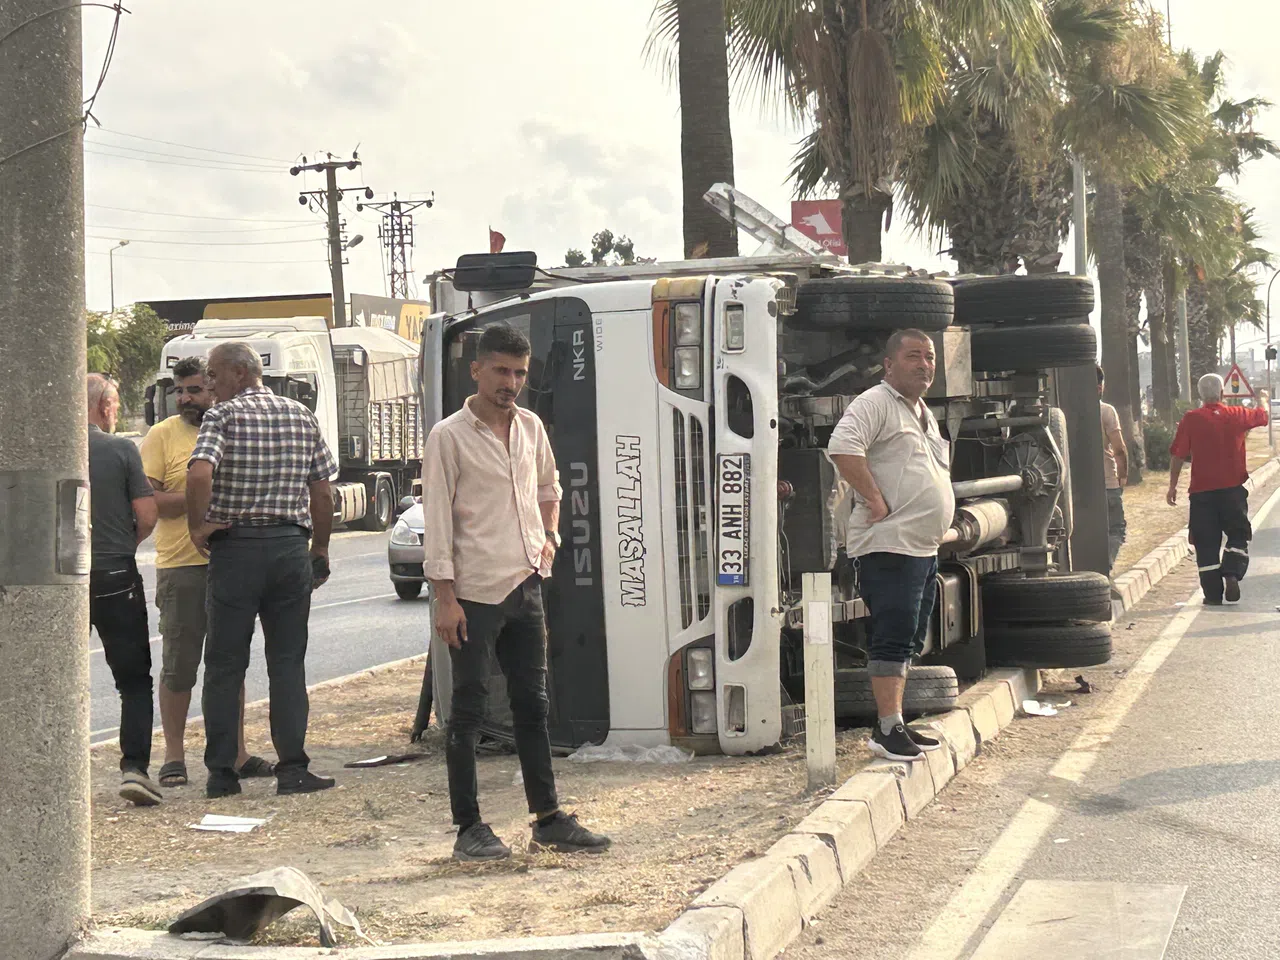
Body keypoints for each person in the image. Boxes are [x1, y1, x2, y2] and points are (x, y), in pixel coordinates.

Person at [422, 322, 611, 861]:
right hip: (474, 592)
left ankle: (548, 818)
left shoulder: (530, 427)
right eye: (501, 370)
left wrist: (548, 541)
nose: (511, 382)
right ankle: (468, 829)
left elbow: (550, 488)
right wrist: (445, 597)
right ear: (476, 369)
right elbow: (437, 521)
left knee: (534, 705)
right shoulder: (449, 436)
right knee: (469, 712)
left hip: (526, 584)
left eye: (520, 373)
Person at [186, 342, 338, 798]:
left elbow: (198, 475)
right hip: (290, 547)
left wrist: (199, 527)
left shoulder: (223, 417)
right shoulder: (300, 415)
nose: (210, 384)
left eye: (214, 375)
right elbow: (323, 491)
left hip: (236, 548)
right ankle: (292, 768)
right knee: (287, 663)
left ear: (238, 373)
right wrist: (321, 547)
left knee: (225, 665)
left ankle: (221, 775)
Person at [140, 357, 274, 788]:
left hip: (232, 562)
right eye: (179, 391)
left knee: (229, 663)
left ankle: (236, 752)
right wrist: (200, 492)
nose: (185, 399)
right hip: (182, 566)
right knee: (179, 665)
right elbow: (152, 503)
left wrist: (200, 491)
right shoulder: (161, 436)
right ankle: (174, 755)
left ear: (213, 389)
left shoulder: (233, 427)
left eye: (195, 389)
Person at [827, 329, 954, 762]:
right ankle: (885, 730)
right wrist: (876, 499)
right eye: (914, 356)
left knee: (910, 636)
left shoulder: (922, 411)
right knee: (893, 635)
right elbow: (843, 448)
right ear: (889, 364)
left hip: (920, 546)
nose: (924, 364)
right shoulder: (875, 402)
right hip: (888, 544)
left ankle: (897, 722)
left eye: (930, 357)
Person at [87, 373, 161, 805]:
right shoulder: (119, 449)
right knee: (133, 681)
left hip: (56, 583)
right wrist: (125, 543)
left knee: (48, 679)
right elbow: (147, 514)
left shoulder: (45, 445)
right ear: (105, 406)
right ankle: (134, 768)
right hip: (114, 574)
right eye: (114, 405)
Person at [1167, 373, 1270, 605]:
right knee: (1237, 534)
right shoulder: (1236, 414)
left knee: (1205, 544)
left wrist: (1172, 486)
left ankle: (1213, 595)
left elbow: (1178, 455)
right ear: (1222, 393)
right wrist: (1263, 398)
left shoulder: (1191, 419)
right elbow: (1262, 417)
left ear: (1200, 396)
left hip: (1202, 494)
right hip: (1232, 491)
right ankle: (1232, 572)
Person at [1098, 365, 1129, 571]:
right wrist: (1123, 477)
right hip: (1108, 482)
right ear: (1100, 386)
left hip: (1076, 486)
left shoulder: (1064, 410)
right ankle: (1105, 566)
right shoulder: (1106, 411)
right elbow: (1119, 449)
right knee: (1116, 529)